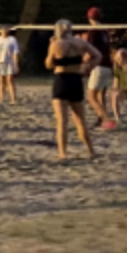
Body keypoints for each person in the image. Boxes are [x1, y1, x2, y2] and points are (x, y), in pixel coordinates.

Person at [44, 19, 101, 160]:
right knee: (80, 119)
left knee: (62, 121)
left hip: (61, 79)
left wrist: (51, 46)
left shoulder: (56, 44)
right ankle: (90, 150)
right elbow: (98, 55)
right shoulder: (80, 43)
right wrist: (87, 67)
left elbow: (49, 64)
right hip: (76, 79)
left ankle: (63, 153)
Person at [84, 7, 117, 130]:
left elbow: (90, 50)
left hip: (99, 65)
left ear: (89, 18)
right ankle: (100, 120)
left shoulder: (94, 31)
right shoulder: (104, 31)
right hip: (107, 65)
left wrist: (83, 62)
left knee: (91, 96)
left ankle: (107, 119)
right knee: (100, 95)